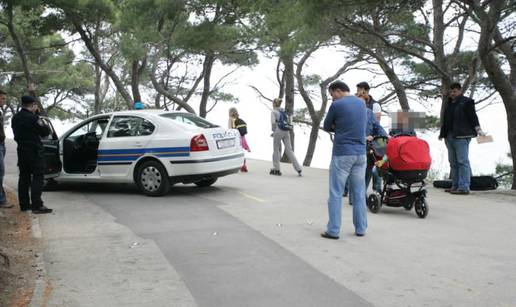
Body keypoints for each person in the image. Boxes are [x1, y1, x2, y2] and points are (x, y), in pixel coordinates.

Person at [321, 81, 367, 239]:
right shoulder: (362, 104)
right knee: (359, 192)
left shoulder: (337, 105)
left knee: (336, 192)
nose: (332, 98)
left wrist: (337, 127)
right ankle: (361, 228)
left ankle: (333, 230)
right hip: (361, 154)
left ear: (338, 91)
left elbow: (326, 126)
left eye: (332, 94)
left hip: (342, 153)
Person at [439, 82, 484, 195]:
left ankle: (464, 187)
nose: (452, 93)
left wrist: (479, 130)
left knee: (462, 161)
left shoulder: (467, 102)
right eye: (451, 91)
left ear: (459, 91)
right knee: (453, 162)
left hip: (462, 136)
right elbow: (446, 120)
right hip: (449, 136)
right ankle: (455, 186)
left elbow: (473, 117)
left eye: (454, 91)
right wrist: (442, 134)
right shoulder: (449, 103)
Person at [12, 95, 53, 213]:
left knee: (24, 177)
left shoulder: (15, 118)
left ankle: (24, 205)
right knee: (38, 177)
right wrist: (38, 116)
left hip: (21, 150)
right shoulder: (34, 118)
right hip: (34, 151)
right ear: (33, 105)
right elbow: (45, 132)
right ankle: (37, 205)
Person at [270, 98, 302, 176]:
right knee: (289, 150)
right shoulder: (284, 111)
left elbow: (273, 123)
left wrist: (273, 131)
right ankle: (298, 169)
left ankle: (276, 169)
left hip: (278, 130)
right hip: (286, 131)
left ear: (274, 104)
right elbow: (290, 121)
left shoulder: (273, 112)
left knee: (276, 149)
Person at [0, 90, 12, 209]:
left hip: (1, 144)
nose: (4, 101)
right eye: (2, 98)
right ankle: (1, 199)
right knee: (0, 172)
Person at [228, 107, 250, 172]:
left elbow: (230, 129)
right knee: (240, 151)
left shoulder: (231, 119)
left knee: (233, 152)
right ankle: (243, 165)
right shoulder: (238, 119)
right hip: (242, 137)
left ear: (230, 113)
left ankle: (233, 166)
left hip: (235, 137)